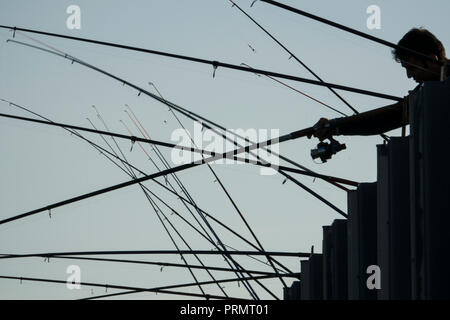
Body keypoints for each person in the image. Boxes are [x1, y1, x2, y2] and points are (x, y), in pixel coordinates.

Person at [309, 28, 449, 141]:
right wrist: (334, 126)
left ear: (432, 60)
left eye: (412, 68)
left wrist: (334, 126)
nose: (409, 75)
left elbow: (387, 118)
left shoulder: (427, 97)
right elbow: (384, 119)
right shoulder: (421, 97)